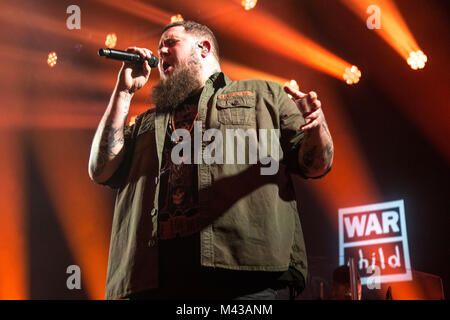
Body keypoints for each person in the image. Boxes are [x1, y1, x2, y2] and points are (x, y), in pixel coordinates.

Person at [88, 20, 334, 300]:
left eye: (170, 43)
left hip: (245, 275)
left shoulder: (263, 95)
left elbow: (317, 165)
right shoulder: (147, 122)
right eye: (159, 48)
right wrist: (123, 92)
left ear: (203, 48)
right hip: (157, 280)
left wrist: (317, 126)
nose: (161, 53)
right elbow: (100, 169)